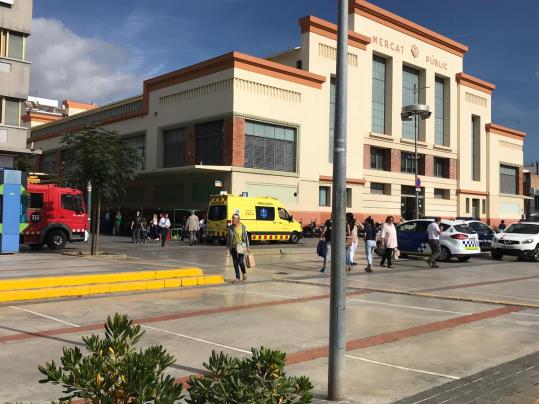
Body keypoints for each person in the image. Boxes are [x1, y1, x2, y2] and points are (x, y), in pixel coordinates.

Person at [226, 213, 250, 283]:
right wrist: (227, 248)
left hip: (240, 246)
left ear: (238, 219)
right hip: (233, 246)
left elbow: (246, 237)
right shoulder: (230, 227)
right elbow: (228, 238)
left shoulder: (243, 227)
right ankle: (237, 277)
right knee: (235, 262)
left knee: (240, 261)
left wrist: (248, 247)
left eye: (235, 218)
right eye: (233, 218)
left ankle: (244, 272)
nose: (233, 219)